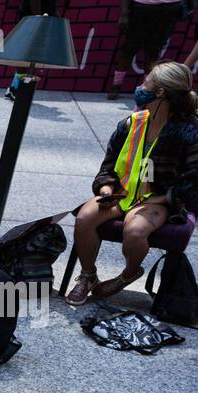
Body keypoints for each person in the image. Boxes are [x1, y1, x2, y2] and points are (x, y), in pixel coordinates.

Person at [67, 60, 198, 304]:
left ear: (160, 92)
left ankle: (128, 274)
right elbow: (108, 166)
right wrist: (106, 187)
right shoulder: (131, 124)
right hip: (122, 192)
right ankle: (88, 276)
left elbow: (193, 181)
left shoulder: (190, 131)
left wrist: (163, 198)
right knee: (85, 217)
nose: (141, 85)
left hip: (160, 199)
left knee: (135, 230)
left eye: (146, 82)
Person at [109, 0, 184, 100]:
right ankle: (116, 85)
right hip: (142, 7)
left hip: (170, 8)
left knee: (154, 51)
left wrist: (191, 6)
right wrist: (124, 13)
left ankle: (147, 89)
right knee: (129, 48)